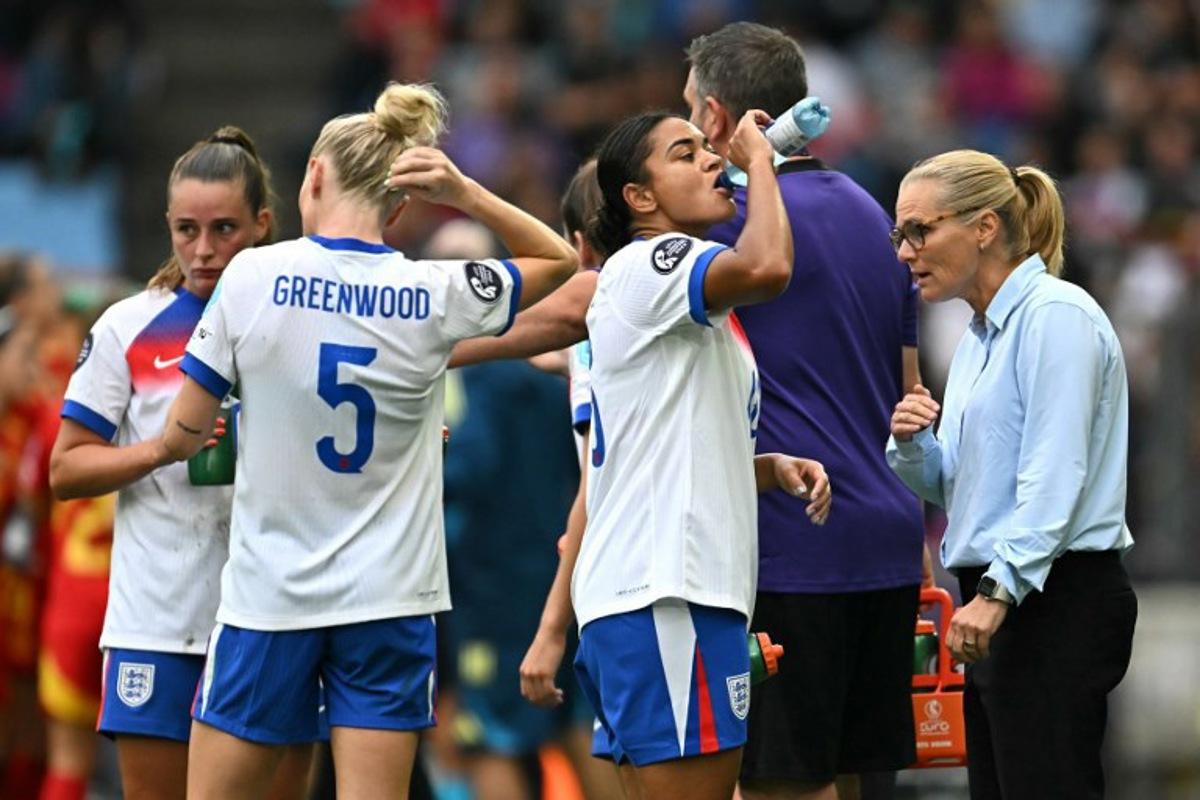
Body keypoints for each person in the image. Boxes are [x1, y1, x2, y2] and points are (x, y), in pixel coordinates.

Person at [153, 82, 577, 800]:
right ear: (402, 207)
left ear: (313, 176)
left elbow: (186, 429)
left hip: (270, 599)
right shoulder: (430, 292)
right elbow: (559, 262)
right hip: (390, 601)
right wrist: (468, 193)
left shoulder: (255, 273)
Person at [527, 108, 831, 800]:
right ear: (640, 199)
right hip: (667, 596)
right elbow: (768, 264)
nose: (707, 160)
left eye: (707, 148)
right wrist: (758, 161)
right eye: (683, 152)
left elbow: (656, 451)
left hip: (655, 595)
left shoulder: (677, 302)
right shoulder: (660, 258)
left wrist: (762, 469)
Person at [684, 22, 929, 800]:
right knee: (849, 778)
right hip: (886, 539)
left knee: (784, 782)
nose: (690, 139)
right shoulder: (870, 211)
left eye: (691, 117)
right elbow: (910, 392)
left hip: (796, 540)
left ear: (719, 119)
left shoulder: (728, 228)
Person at [48, 127, 314, 800]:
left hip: (276, 620)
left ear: (261, 223)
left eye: (224, 228)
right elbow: (65, 470)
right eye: (186, 229)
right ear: (167, 226)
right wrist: (163, 450)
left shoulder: (302, 321)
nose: (203, 250)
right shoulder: (126, 327)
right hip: (159, 622)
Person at [887, 150, 1137, 800]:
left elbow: (1057, 475)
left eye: (921, 230)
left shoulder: (1056, 315)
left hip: (1048, 599)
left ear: (984, 227)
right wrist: (911, 444)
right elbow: (961, 488)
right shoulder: (976, 336)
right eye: (900, 235)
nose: (906, 251)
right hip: (1000, 598)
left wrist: (998, 594)